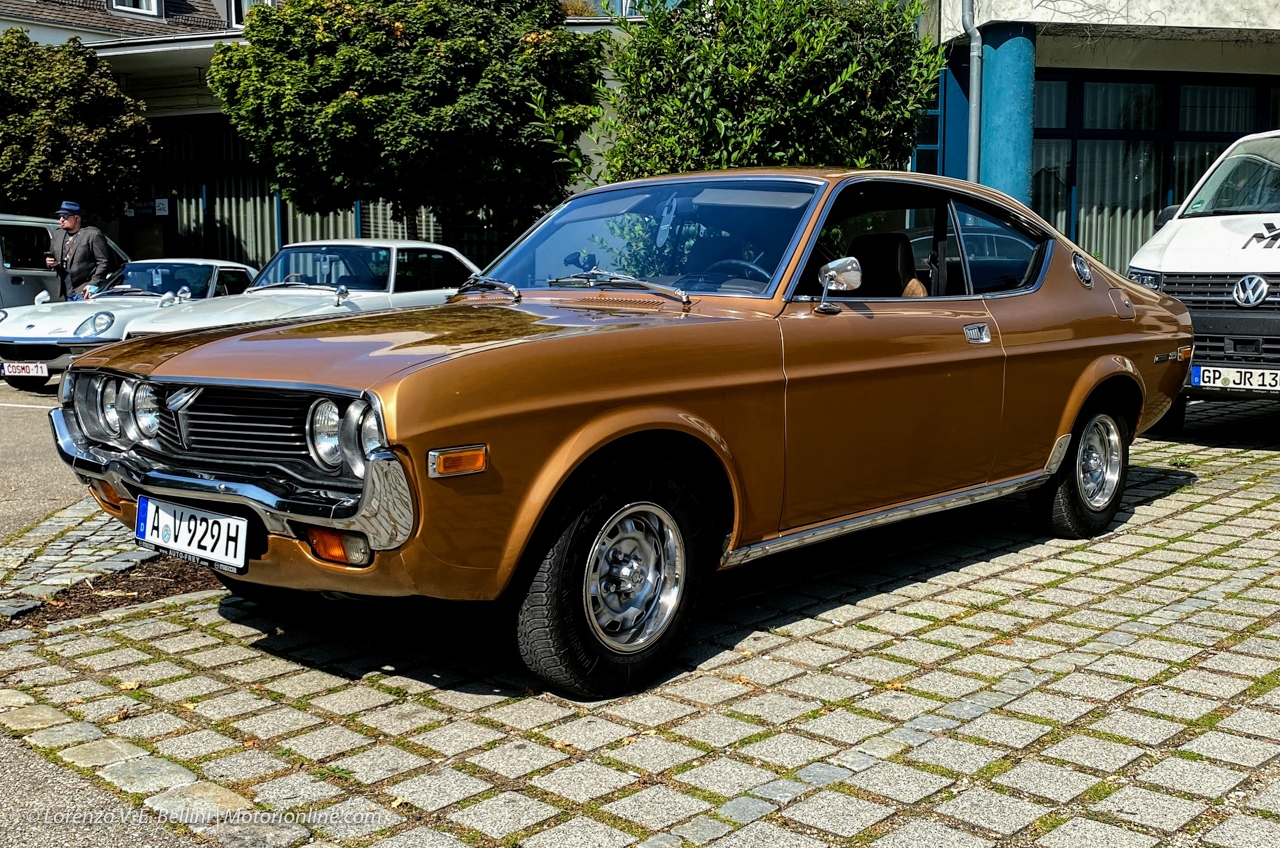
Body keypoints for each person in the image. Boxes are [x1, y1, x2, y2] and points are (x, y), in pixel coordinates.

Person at [44, 201, 110, 300]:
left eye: (65, 216)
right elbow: (52, 256)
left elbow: (103, 262)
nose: (61, 220)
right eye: (59, 217)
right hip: (64, 291)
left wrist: (94, 283)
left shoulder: (92, 234)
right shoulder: (58, 235)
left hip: (84, 291)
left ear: (77, 218)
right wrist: (50, 263)